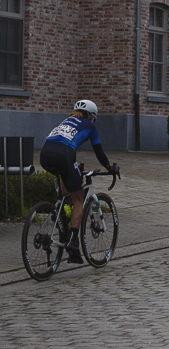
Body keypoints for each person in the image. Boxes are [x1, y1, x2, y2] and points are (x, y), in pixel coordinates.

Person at [40, 100, 118, 263]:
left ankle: (60, 218)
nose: (93, 121)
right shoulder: (90, 126)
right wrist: (109, 167)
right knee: (78, 199)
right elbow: (99, 152)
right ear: (90, 116)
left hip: (44, 154)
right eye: (93, 118)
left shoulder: (65, 121)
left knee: (64, 191)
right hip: (64, 155)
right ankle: (73, 242)